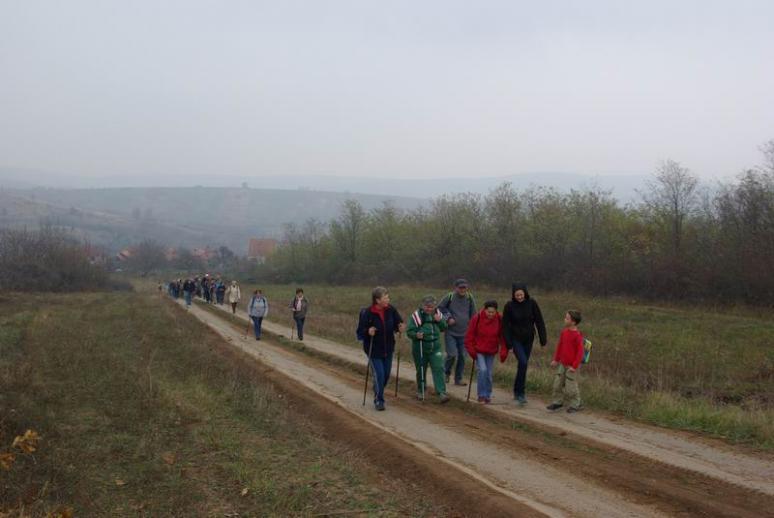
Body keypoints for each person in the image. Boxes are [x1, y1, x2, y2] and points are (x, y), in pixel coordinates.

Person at [356, 287, 405, 411]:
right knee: (380, 375)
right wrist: (368, 331)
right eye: (385, 297)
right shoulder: (367, 313)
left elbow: (398, 323)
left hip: (388, 348)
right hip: (373, 349)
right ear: (377, 300)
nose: (388, 299)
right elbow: (360, 332)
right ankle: (379, 399)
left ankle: (377, 388)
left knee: (386, 375)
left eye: (388, 297)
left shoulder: (391, 309)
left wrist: (400, 327)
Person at [502, 283, 547, 406]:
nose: (519, 297)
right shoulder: (509, 306)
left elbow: (539, 321)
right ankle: (520, 393)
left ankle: (517, 391)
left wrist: (543, 339)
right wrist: (509, 344)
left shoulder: (532, 303)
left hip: (528, 339)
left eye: (521, 294)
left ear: (525, 293)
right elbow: (505, 326)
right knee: (523, 362)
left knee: (523, 366)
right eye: (517, 295)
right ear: (513, 295)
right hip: (515, 339)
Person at [406, 295, 450, 404]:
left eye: (431, 307)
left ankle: (441, 393)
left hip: (435, 347)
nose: (429, 309)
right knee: (421, 369)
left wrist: (440, 321)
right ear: (423, 305)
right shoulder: (416, 316)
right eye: (427, 306)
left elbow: (444, 327)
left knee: (439, 367)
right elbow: (409, 331)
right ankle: (421, 391)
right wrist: (416, 335)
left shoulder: (437, 314)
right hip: (420, 347)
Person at [464, 300, 507, 404]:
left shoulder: (500, 319)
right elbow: (469, 336)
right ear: (484, 309)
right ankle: (481, 395)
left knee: (488, 373)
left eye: (493, 312)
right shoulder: (477, 318)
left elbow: (503, 336)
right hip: (479, 350)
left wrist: (504, 350)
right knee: (482, 370)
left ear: (496, 311)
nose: (491, 314)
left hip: (491, 350)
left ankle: (487, 395)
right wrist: (471, 350)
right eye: (489, 312)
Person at [438, 278, 476, 386]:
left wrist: (474, 330)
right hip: (451, 332)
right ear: (456, 288)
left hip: (465, 333)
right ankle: (445, 373)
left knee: (463, 356)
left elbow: (474, 315)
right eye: (460, 287)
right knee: (452, 354)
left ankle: (458, 379)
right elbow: (440, 308)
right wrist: (448, 318)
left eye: (464, 287)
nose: (463, 289)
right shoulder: (449, 296)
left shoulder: (470, 298)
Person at [547, 310, 585, 413]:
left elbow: (580, 352)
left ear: (573, 322)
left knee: (571, 387)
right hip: (562, 364)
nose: (565, 319)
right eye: (565, 317)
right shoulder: (564, 332)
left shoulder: (577, 335)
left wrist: (574, 366)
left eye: (567, 318)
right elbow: (560, 346)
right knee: (557, 384)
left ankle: (576, 404)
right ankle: (558, 402)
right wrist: (556, 359)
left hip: (572, 367)